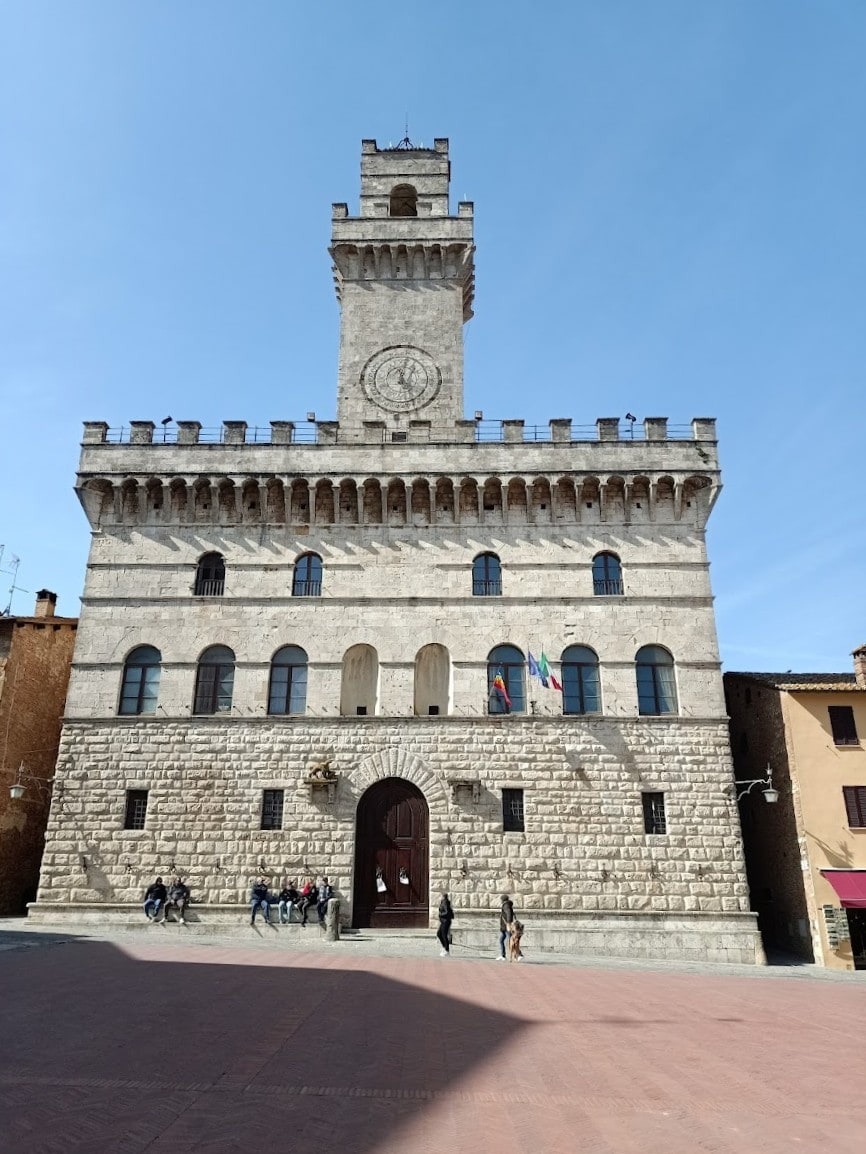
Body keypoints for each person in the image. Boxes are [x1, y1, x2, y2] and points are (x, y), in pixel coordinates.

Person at [497, 894, 515, 960]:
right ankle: (503, 955)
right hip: (504, 927)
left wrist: (508, 924)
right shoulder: (507, 905)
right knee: (502, 940)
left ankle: (517, 954)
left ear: (502, 900)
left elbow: (509, 914)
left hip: (506, 926)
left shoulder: (506, 905)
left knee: (510, 940)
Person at [437, 891, 454, 956]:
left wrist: (441, 915)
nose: (439, 897)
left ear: (442, 897)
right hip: (444, 921)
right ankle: (444, 947)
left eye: (440, 896)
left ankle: (446, 950)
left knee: (444, 935)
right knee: (439, 934)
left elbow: (447, 912)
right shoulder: (444, 902)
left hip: (446, 921)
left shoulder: (445, 902)